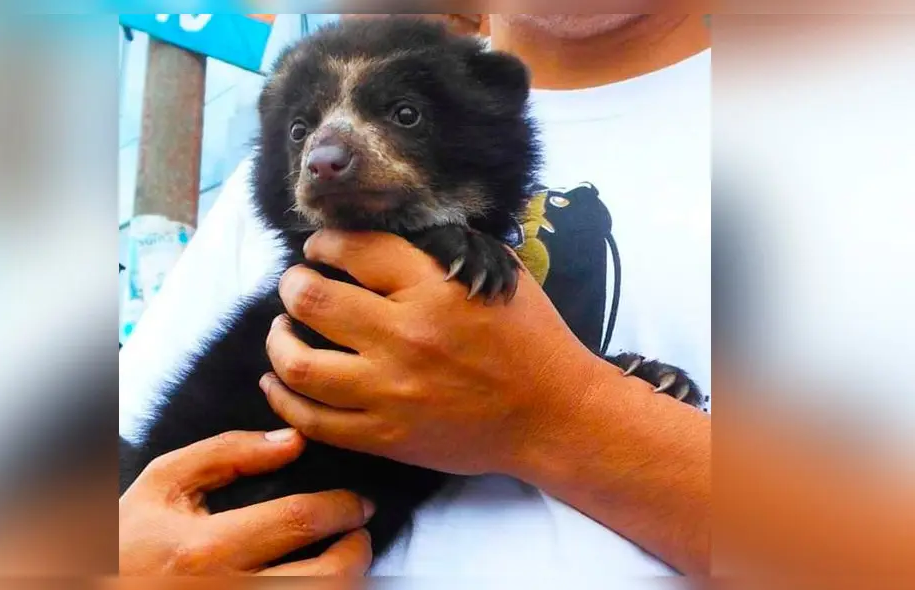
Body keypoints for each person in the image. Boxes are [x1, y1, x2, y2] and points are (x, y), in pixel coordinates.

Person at [119, 14, 711, 576]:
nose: (325, 155)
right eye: (302, 132)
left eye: (402, 115)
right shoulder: (260, 228)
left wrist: (555, 412)